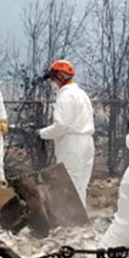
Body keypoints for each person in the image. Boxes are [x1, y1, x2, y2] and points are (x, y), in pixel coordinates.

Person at [38, 60, 94, 207]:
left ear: (61, 76)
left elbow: (60, 126)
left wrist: (41, 133)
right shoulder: (81, 94)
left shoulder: (65, 97)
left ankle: (71, 219)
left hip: (72, 143)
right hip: (87, 141)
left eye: (53, 78)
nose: (52, 82)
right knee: (81, 183)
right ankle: (81, 216)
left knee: (69, 182)